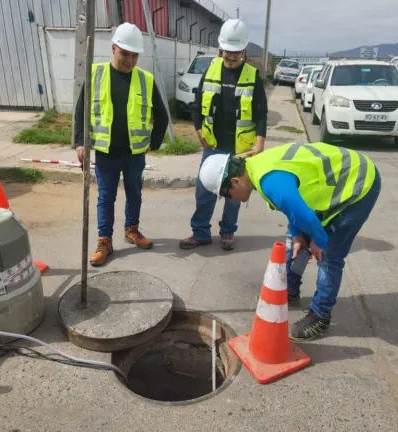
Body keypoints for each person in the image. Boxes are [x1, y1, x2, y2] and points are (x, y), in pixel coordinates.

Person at [196, 141, 382, 341]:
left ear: (235, 181)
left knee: (329, 255)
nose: (231, 200)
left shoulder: (271, 182)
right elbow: (294, 210)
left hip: (359, 182)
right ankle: (289, 290)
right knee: (295, 241)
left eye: (227, 194)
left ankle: (320, 317)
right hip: (331, 182)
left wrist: (318, 241)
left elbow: (305, 216)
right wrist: (297, 235)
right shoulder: (257, 167)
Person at [73, 22, 169, 266]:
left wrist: (154, 143)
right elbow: (81, 111)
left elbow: (162, 115)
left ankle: (132, 230)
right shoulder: (95, 74)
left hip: (134, 154)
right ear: (113, 48)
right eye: (125, 53)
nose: (129, 60)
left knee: (135, 194)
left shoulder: (145, 79)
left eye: (134, 55)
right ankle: (104, 241)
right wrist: (79, 142)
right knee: (106, 197)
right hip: (106, 153)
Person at [179, 18, 268, 251]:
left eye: (236, 53)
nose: (231, 57)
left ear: (244, 51)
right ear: (221, 49)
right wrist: (199, 131)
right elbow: (196, 105)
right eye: (228, 52)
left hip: (240, 148)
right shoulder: (211, 69)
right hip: (213, 146)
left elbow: (261, 113)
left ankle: (228, 233)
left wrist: (260, 142)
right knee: (205, 190)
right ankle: (200, 232)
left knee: (233, 195)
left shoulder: (252, 75)